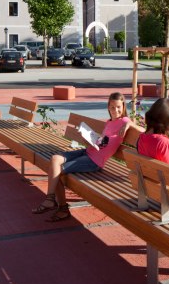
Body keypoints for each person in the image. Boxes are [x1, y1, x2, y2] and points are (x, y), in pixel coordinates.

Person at [32, 92, 143, 222]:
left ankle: (60, 207)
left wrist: (130, 125)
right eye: (112, 107)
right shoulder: (109, 122)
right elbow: (104, 142)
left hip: (94, 161)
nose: (115, 110)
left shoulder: (124, 121)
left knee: (57, 171)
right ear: (108, 107)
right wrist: (90, 139)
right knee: (55, 159)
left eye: (118, 107)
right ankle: (51, 200)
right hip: (88, 152)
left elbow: (143, 131)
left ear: (123, 107)